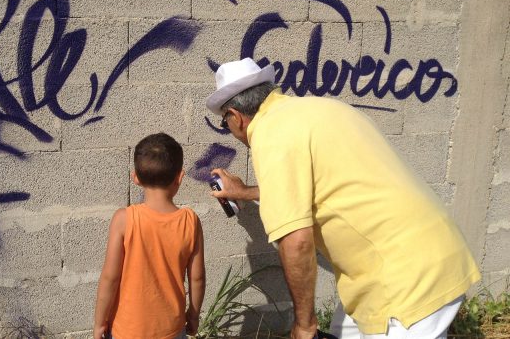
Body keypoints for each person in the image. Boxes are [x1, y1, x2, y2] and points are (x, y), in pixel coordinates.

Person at [205, 58, 481, 339]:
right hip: (420, 255)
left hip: (405, 280)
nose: (229, 128)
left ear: (235, 116)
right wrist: (245, 192)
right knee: (342, 331)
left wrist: (304, 324)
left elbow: (296, 241)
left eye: (224, 122)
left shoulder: (270, 134)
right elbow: (308, 187)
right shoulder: (321, 110)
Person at [93, 133, 205, 339]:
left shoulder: (123, 219)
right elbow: (197, 277)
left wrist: (100, 322)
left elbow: (110, 277)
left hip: (128, 330)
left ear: (135, 177)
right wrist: (194, 314)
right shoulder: (190, 221)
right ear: (179, 177)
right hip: (172, 329)